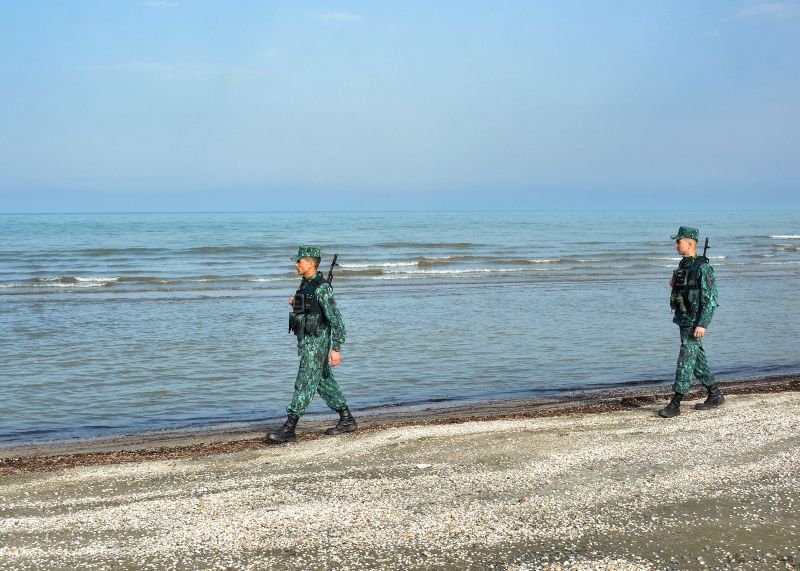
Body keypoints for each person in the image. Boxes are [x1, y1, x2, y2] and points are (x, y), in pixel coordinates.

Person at [267, 246, 357, 443]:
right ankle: (347, 418)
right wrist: (296, 304)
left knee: (304, 381)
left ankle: (289, 428)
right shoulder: (305, 284)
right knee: (323, 381)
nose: (295, 264)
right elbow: (310, 311)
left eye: (299, 261)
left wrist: (336, 348)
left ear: (310, 263)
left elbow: (336, 320)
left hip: (317, 342)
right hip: (307, 341)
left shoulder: (322, 287)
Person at [659, 226, 723, 418]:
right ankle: (715, 394)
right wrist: (674, 284)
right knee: (696, 359)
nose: (676, 245)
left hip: (695, 321)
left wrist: (703, 323)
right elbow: (682, 288)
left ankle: (676, 402)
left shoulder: (703, 268)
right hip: (684, 319)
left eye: (678, 241)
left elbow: (711, 299)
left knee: (686, 358)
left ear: (689, 243)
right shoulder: (683, 265)